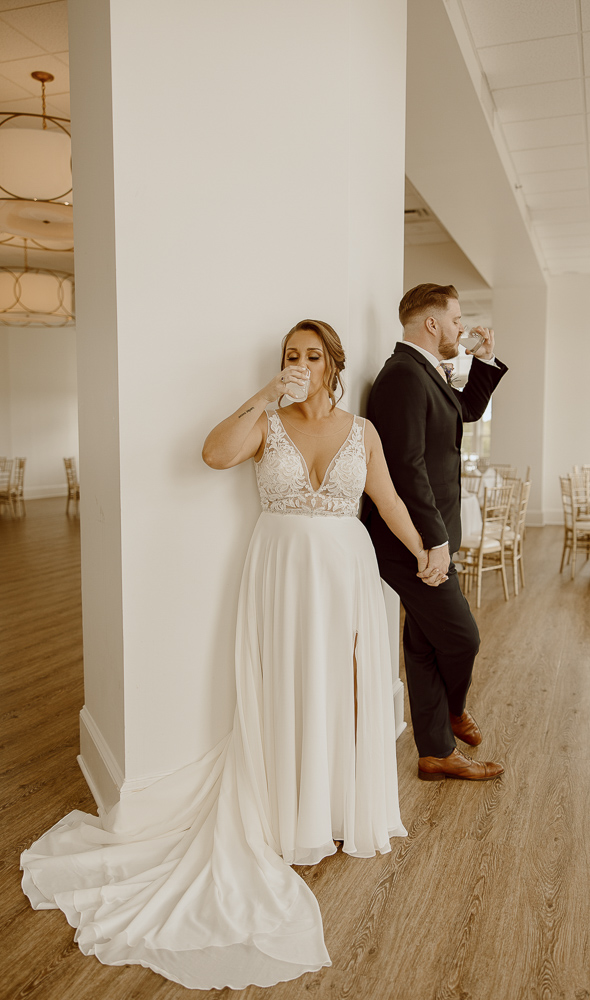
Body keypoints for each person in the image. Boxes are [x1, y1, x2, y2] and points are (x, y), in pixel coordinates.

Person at [20, 319, 437, 991]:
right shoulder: (265, 422)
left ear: (334, 364)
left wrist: (419, 548)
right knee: (286, 689)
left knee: (344, 689)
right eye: (290, 356)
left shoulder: (362, 432)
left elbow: (385, 498)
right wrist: (264, 394)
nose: (300, 364)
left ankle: (336, 809)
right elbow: (213, 455)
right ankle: (287, 814)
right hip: (279, 567)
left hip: (345, 572)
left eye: (311, 356)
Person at [363, 283, 508, 782]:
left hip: (433, 535)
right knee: (462, 638)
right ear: (430, 323)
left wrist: (485, 361)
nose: (460, 328)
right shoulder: (403, 375)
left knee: (424, 645)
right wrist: (434, 541)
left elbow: (463, 412)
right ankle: (451, 710)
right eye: (455, 319)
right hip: (415, 544)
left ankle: (435, 754)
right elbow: (406, 466)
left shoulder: (424, 372)